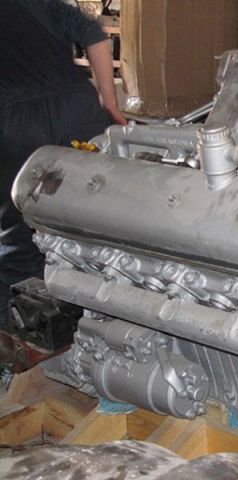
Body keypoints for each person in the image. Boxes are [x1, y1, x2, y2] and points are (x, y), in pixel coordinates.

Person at [0, 0, 126, 328]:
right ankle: (94, 317)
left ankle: (21, 331)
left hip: (17, 123)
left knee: (19, 227)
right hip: (78, 112)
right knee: (90, 217)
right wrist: (109, 103)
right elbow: (95, 37)